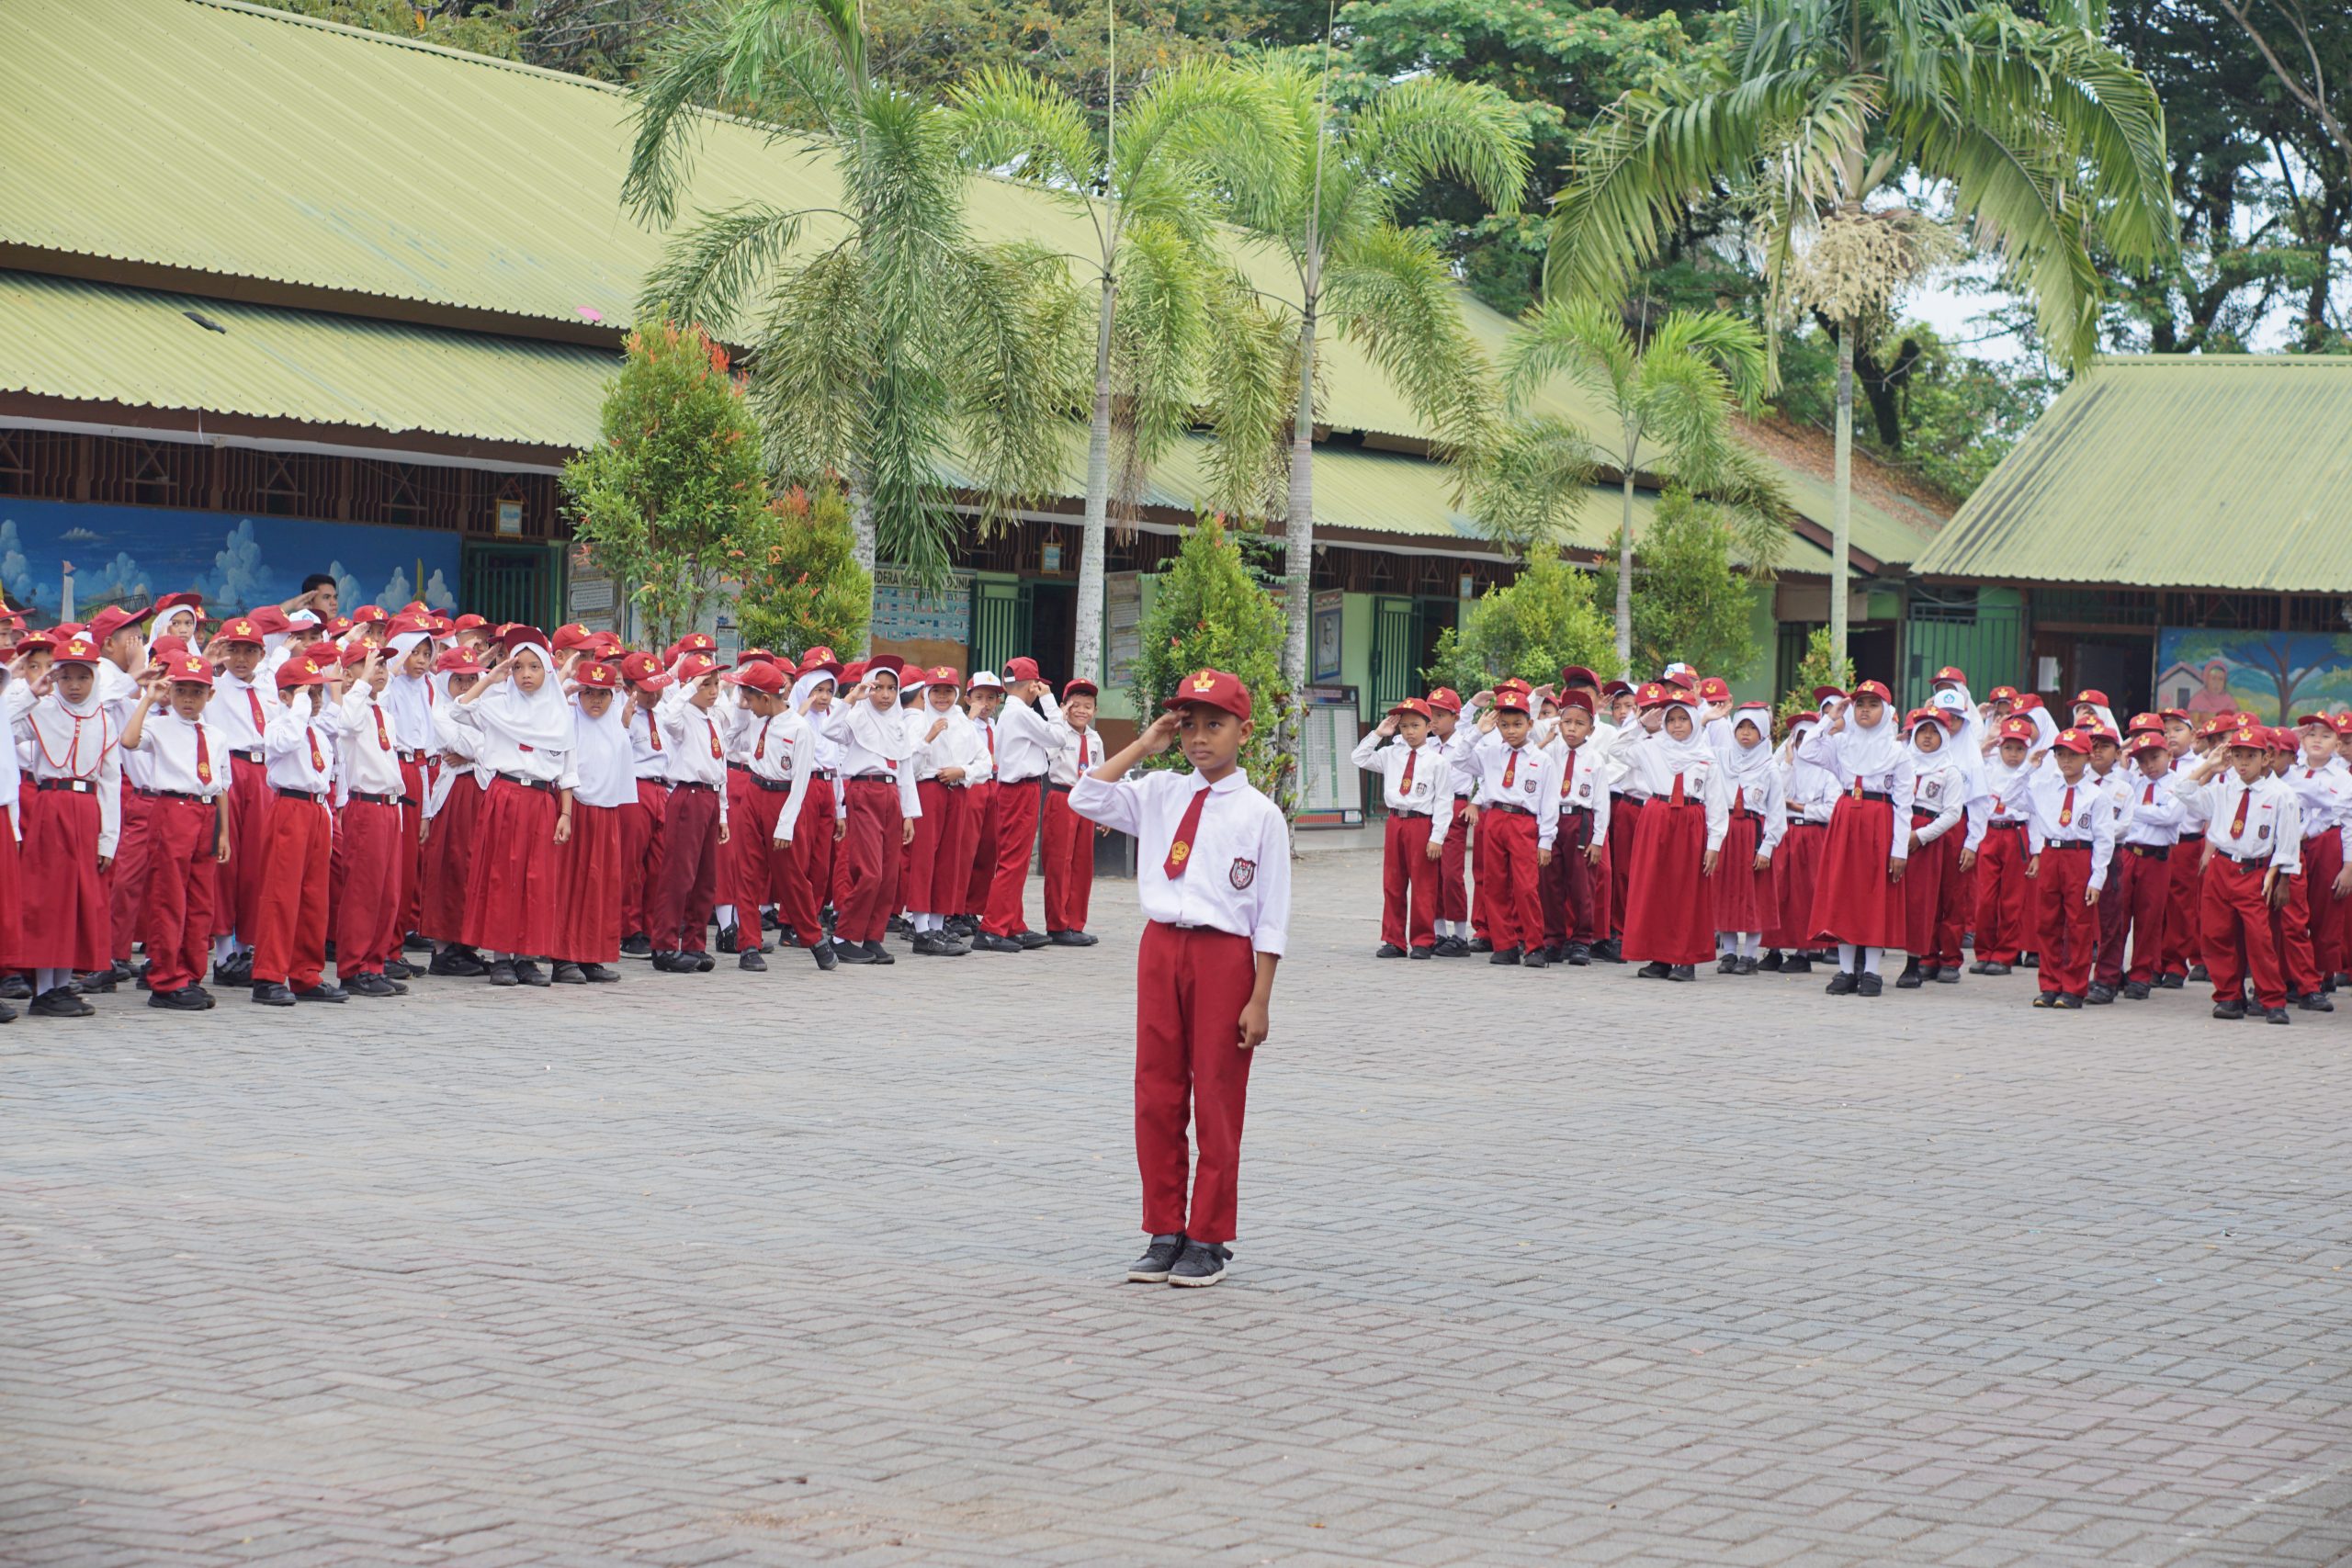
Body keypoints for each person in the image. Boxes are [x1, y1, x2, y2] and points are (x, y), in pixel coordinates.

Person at [1069, 670, 1288, 1291]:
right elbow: (1083, 798)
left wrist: (1260, 997)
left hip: (1224, 955)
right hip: (1161, 948)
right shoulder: (1160, 790)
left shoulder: (1260, 814)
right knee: (1156, 1090)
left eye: (1213, 725)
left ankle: (1209, 1236)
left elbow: (1271, 913)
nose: (1198, 738)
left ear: (1243, 732)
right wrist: (1144, 744)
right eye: (1188, 725)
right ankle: (1165, 1228)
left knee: (1217, 1095)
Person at [449, 631, 580, 988]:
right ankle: (501, 958)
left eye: (535, 667)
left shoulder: (559, 715)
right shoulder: (498, 705)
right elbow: (458, 709)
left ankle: (527, 957)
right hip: (504, 795)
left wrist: (565, 814)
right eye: (518, 666)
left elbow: (568, 771)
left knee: (536, 879)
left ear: (547, 672)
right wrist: (490, 678)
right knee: (502, 876)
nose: (526, 674)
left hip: (542, 801)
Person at [1799, 682, 1914, 997]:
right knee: (1845, 893)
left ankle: (1873, 972)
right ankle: (1846, 971)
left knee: (1874, 895)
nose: (1864, 709)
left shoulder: (1898, 753)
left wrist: (1899, 849)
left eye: (1873, 704)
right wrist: (1831, 717)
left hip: (1880, 821)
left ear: (1887, 711)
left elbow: (1904, 805)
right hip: (1846, 819)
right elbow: (1806, 749)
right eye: (1860, 703)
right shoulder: (1841, 743)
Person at [2185, 723, 2300, 1022]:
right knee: (2217, 934)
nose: (2244, 763)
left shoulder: (2281, 794)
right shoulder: (2223, 788)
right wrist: (2209, 765)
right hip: (2222, 866)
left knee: (2261, 939)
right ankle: (2228, 996)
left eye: (2251, 755)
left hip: (2257, 871)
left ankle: (2271, 999)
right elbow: (2183, 792)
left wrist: (2284, 877)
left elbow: (2288, 840)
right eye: (2238, 755)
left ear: (2267, 757)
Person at [250, 645, 344, 1008]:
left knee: (313, 898)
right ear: (286, 696)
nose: (316, 699)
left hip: (316, 812)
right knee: (281, 894)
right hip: (289, 807)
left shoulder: (318, 732)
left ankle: (306, 973)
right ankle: (268, 975)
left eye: (318, 691)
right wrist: (299, 705)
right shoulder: (278, 725)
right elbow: (287, 739)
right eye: (309, 691)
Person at [820, 655, 923, 964]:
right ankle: (842, 936)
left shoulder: (899, 726)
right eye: (879, 687)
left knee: (889, 873)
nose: (886, 695)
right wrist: (851, 698)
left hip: (891, 795)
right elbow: (829, 729)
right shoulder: (857, 717)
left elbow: (904, 771)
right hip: (864, 790)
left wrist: (908, 814)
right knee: (870, 872)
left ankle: (872, 936)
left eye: (892, 688)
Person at [1611, 688, 1717, 981]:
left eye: (1684, 719)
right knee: (1654, 887)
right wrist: (1641, 726)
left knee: (1686, 891)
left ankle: (1685, 959)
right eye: (1672, 720)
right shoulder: (1652, 747)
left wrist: (1715, 843)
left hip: (1691, 822)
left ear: (1695, 722)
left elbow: (1717, 803)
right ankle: (1658, 957)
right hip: (1657, 816)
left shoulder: (1706, 757)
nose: (1677, 726)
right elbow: (1616, 751)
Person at [1453, 690, 1560, 968]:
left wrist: (1546, 840)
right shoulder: (1490, 753)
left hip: (1525, 822)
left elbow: (1549, 802)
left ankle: (1535, 946)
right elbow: (1458, 759)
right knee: (1495, 885)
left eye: (1517, 724)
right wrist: (1478, 732)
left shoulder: (1542, 760)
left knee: (1526, 887)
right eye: (1504, 725)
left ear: (1530, 724)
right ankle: (1505, 946)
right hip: (1496, 818)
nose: (1511, 731)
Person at [1351, 696, 1455, 959]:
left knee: (1423, 884)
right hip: (1396, 821)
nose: (1409, 732)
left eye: (1415, 725)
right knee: (1393, 883)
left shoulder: (1437, 761)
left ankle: (1422, 941)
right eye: (1404, 726)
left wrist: (1437, 837)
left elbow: (1444, 801)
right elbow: (1359, 757)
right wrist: (1378, 733)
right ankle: (1394, 940)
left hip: (1422, 823)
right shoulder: (1390, 754)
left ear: (1429, 726)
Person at [332, 641, 409, 997]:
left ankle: (375, 963)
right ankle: (353, 967)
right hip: (366, 805)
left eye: (381, 664)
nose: (378, 670)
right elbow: (345, 725)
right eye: (368, 663)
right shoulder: (350, 705)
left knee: (387, 893)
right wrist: (359, 684)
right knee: (363, 891)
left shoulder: (383, 712)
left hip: (390, 806)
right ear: (349, 673)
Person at [549, 659, 631, 985]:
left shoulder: (615, 727)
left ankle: (592, 954)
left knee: (601, 886)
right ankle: (563, 956)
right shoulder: (568, 721)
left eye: (603, 694)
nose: (595, 701)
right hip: (576, 809)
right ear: (577, 693)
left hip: (606, 811)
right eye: (588, 693)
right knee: (570, 885)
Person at [204, 615, 276, 987]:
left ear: (262, 654)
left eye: (250, 650)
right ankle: (222, 953)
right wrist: (208, 659)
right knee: (225, 862)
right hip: (230, 771)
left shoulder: (269, 691)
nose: (242, 658)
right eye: (234, 649)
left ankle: (247, 948)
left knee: (257, 864)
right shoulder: (212, 689)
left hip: (263, 774)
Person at [648, 651, 729, 975]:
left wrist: (723, 814)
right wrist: (686, 685)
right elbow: (667, 716)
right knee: (678, 875)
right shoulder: (682, 717)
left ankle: (695, 944)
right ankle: (664, 945)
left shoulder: (713, 719)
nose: (712, 690)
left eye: (716, 683)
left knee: (706, 879)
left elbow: (719, 768)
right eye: (704, 684)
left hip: (709, 797)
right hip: (688, 794)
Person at [2022, 728, 2115, 1010]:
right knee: (2047, 922)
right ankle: (2049, 985)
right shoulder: (2045, 787)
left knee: (2079, 924)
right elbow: (2013, 796)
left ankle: (2073, 987)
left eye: (2073, 755)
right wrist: (2029, 766)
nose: (2066, 761)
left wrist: (2097, 878)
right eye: (2061, 755)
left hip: (2079, 855)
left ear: (2087, 757)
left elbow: (2104, 839)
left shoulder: (2096, 795)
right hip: (2052, 853)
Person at [978, 657, 1057, 952]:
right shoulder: (1021, 712)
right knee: (1013, 862)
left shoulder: (1013, 713)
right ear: (1033, 685)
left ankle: (1012, 923)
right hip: (1020, 790)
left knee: (1017, 860)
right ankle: (992, 927)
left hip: (1016, 788)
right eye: (1039, 685)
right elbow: (1058, 737)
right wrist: (1049, 703)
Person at [420, 649, 488, 976]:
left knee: (475, 868)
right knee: (452, 866)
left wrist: (477, 752)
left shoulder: (485, 710)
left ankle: (465, 944)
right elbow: (459, 745)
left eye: (471, 678)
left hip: (480, 789)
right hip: (455, 794)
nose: (465, 685)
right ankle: (443, 949)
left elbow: (502, 743)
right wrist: (479, 751)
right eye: (458, 679)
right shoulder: (439, 712)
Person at [901, 668, 977, 955]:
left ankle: (938, 926)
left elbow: (983, 761)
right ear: (926, 693)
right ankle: (920, 929)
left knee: (949, 860)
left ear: (956, 694)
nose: (942, 697)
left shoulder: (963, 723)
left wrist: (963, 770)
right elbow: (908, 763)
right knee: (924, 859)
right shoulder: (919, 722)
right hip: (928, 790)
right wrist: (929, 737)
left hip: (956, 789)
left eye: (947, 691)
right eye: (936, 691)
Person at [1707, 701, 1784, 976]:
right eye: (1741, 726)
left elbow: (1777, 814)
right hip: (1727, 832)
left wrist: (1767, 846)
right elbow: (1697, 747)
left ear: (1763, 732)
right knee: (1726, 892)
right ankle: (1729, 952)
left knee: (1754, 896)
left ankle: (1750, 954)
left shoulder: (1769, 767)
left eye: (1753, 727)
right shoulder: (1722, 757)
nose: (1746, 733)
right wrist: (1706, 719)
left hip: (1752, 834)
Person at [1894, 709, 1970, 988]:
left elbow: (1952, 813)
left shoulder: (1949, 771)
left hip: (1925, 838)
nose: (1927, 737)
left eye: (1934, 732)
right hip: (1898, 830)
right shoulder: (1903, 763)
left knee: (1919, 901)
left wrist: (1921, 836)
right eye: (1923, 731)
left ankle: (1915, 963)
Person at [2109, 732, 2185, 1000]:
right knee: (2117, 915)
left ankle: (2142, 974)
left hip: (2157, 857)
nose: (2149, 765)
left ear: (2170, 756)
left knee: (2149, 919)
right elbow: (2114, 804)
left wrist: (2134, 810)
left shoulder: (2178, 783)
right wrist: (2124, 767)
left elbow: (2169, 815)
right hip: (2128, 853)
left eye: (2155, 757)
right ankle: (2111, 971)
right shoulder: (2133, 781)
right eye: (2142, 761)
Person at [1760, 707, 1835, 974]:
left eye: (1808, 739)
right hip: (1784, 831)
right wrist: (1788, 765)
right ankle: (1774, 948)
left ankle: (1803, 952)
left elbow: (1833, 808)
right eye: (1798, 739)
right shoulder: (1784, 766)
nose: (1803, 746)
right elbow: (1773, 795)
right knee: (1778, 890)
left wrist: (1803, 809)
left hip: (1812, 834)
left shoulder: (1827, 771)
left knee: (1805, 892)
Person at [1538, 691, 1611, 965]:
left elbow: (1602, 803)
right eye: (1567, 722)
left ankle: (1581, 940)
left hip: (1580, 821)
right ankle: (1553, 939)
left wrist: (1598, 839)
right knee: (1550, 882)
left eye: (1579, 724)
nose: (1572, 728)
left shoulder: (1595, 759)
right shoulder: (1550, 751)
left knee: (1581, 884)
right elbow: (1533, 731)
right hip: (1552, 819)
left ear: (1590, 729)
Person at [1040, 678, 1106, 947]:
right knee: (1059, 863)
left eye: (1088, 706)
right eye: (1075, 705)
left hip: (1086, 802)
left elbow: (1101, 774)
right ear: (1062, 707)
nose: (1081, 711)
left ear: (1095, 711)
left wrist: (1104, 810)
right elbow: (1045, 755)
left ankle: (1076, 923)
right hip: (1062, 797)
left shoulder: (1094, 738)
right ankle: (1057, 924)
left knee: (1082, 864)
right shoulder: (1056, 734)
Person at [1970, 716, 2038, 975]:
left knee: (2011, 899)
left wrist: (2036, 851)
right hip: (1990, 831)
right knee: (1985, 898)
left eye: (2020, 748)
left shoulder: (2033, 775)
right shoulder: (1987, 768)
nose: (2013, 754)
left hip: (2016, 834)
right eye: (2008, 748)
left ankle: (2005, 954)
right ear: (1999, 747)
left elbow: (2037, 816)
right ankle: (1984, 951)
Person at [1425, 688, 1476, 956]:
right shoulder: (1426, 744)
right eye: (1430, 714)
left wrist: (1474, 802)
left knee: (1452, 873)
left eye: (1440, 715)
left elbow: (1488, 771)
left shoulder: (1465, 742)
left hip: (1456, 805)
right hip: (1429, 805)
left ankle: (1459, 935)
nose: (1433, 720)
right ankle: (1438, 933)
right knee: (1431, 873)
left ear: (1456, 717)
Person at [955, 671, 1004, 942]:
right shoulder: (963, 723)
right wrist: (970, 717)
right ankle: (955, 907)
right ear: (967, 699)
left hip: (994, 786)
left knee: (988, 849)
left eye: (991, 698)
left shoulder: (996, 727)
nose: (985, 703)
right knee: (966, 848)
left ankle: (974, 908)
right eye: (979, 697)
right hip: (972, 785)